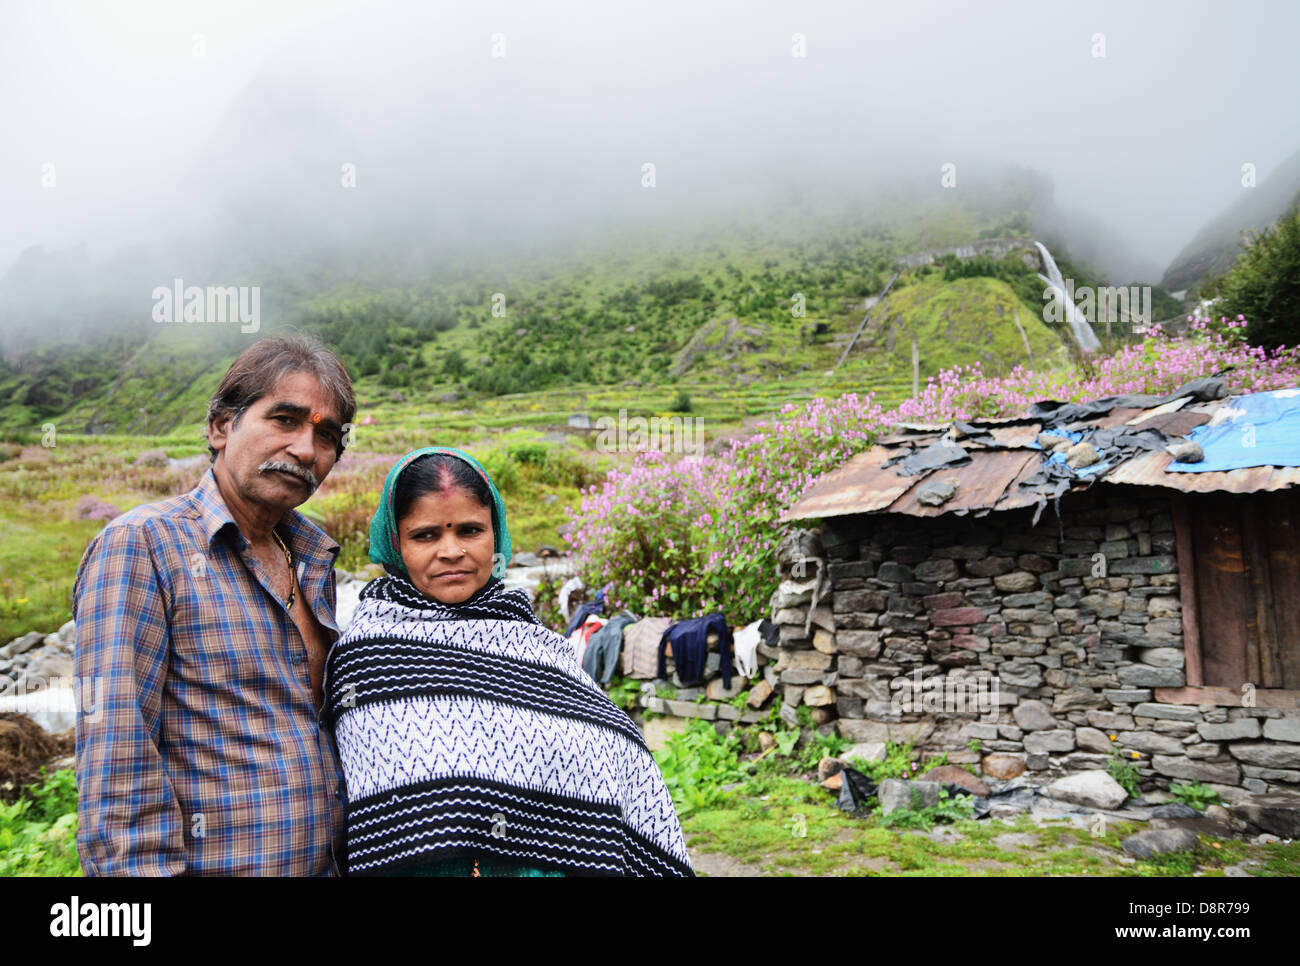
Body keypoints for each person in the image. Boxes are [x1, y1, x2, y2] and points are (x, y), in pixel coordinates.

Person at [324, 447, 694, 876]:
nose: (451, 551)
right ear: (394, 543)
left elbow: (615, 755)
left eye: (470, 531)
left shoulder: (536, 644)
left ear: (496, 536)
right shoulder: (368, 656)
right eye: (425, 535)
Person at [73, 334, 355, 875]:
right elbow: (118, 768)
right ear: (221, 426)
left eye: (326, 435)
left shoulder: (311, 556)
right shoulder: (145, 546)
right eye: (285, 420)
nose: (305, 449)